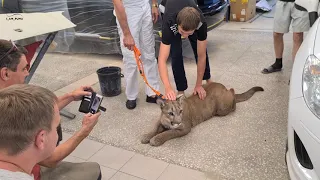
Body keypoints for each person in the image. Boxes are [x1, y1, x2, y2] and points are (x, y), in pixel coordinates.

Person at [0, 39, 102, 180]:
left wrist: (70, 96)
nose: (27, 73)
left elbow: (34, 112)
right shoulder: (9, 118)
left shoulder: (6, 102)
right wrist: (84, 130)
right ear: (5, 73)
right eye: (24, 68)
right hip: (34, 173)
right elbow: (50, 159)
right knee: (93, 171)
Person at [157, 0, 212, 101]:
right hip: (167, 8)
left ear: (196, 28)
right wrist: (168, 88)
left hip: (188, 11)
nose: (185, 36)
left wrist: (198, 84)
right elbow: (161, 59)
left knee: (200, 49)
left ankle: (207, 79)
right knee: (176, 52)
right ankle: (181, 89)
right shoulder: (169, 22)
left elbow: (202, 56)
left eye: (189, 33)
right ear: (177, 24)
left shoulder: (201, 24)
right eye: (182, 32)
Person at [112, 0, 161, 109]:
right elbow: (117, 3)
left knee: (149, 53)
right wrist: (127, 33)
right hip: (128, 10)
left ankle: (152, 92)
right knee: (131, 58)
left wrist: (154, 4)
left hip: (144, 5)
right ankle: (131, 95)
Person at [261, 0, 309, 74]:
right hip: (283, 2)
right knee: (277, 33)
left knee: (298, 35)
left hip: (301, 3)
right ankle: (278, 63)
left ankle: (295, 70)